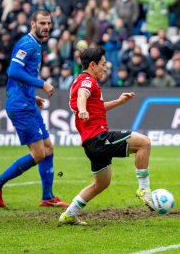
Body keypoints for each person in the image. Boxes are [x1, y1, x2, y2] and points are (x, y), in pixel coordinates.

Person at [59, 47, 154, 225]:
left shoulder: (82, 81)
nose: (105, 68)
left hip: (91, 144)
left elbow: (97, 107)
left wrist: (119, 101)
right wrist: (83, 110)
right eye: (103, 65)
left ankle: (69, 214)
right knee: (144, 143)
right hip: (99, 138)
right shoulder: (87, 81)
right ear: (93, 65)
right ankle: (144, 190)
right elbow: (82, 96)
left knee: (101, 183)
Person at [0, 10, 68, 208]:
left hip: (27, 102)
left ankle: (47, 196)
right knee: (39, 153)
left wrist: (32, 95)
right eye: (42, 23)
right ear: (33, 24)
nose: (46, 27)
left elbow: (22, 74)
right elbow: (13, 71)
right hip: (20, 106)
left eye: (48, 23)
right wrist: (42, 83)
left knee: (48, 148)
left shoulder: (36, 45)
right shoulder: (27, 44)